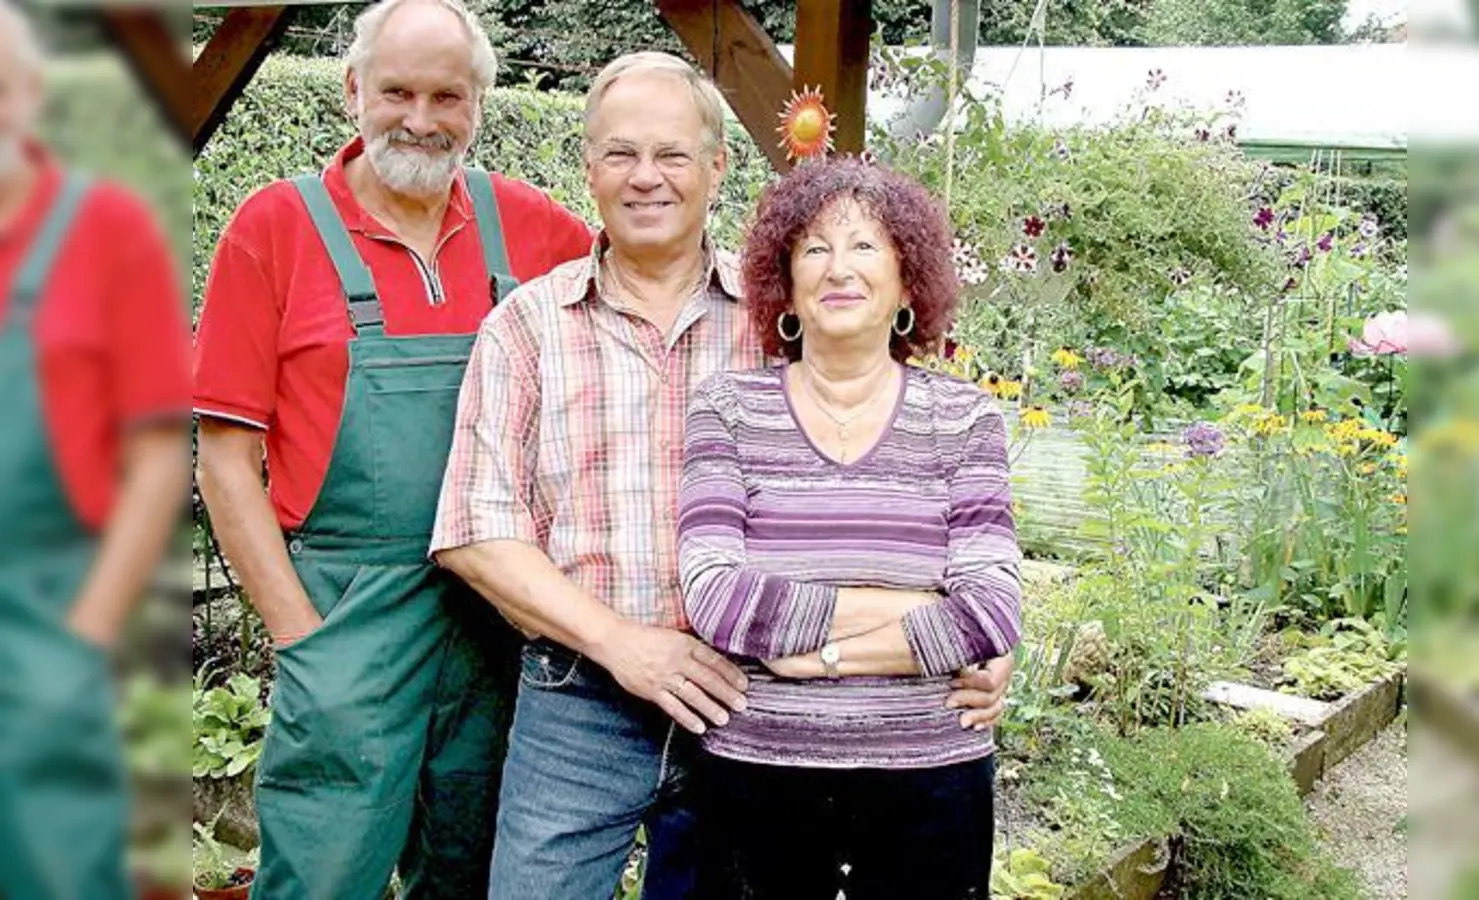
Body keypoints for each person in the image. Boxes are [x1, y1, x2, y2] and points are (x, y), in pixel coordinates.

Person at [430, 51, 1014, 899]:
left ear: (717, 168)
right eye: (621, 155)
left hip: (756, 702)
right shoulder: (527, 326)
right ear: (588, 170)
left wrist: (959, 646)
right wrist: (623, 646)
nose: (646, 178)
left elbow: (914, 504)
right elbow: (477, 532)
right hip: (580, 699)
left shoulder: (792, 314)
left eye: (672, 155)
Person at [191, 0, 592, 895]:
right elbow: (225, 460)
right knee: (323, 874)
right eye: (397, 90)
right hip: (347, 611)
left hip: (494, 614)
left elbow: (653, 279)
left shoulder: (532, 229)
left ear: (479, 105)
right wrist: (302, 638)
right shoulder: (274, 230)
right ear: (351, 92)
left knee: (475, 867)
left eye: (447, 95)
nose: (420, 117)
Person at [676, 155, 1024, 899]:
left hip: (932, 775)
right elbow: (718, 601)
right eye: (815, 248)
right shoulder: (728, 410)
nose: (840, 269)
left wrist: (816, 655)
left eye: (866, 246)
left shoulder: (965, 419)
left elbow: (992, 608)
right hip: (759, 772)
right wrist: (921, 611)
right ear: (786, 284)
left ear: (907, 282)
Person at [0, 3, 192, 897]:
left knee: (55, 866)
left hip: (50, 612)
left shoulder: (107, 233)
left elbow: (159, 457)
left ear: (30, 95)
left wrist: (84, 639)